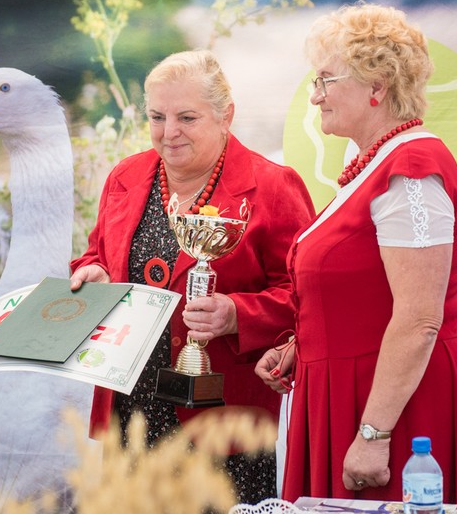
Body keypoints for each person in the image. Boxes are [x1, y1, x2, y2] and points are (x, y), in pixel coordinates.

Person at [254, 3, 457, 513]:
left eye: (325, 80)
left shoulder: (412, 170)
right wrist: (304, 345)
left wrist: (375, 432)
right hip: (352, 393)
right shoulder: (375, 164)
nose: (314, 96)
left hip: (394, 407)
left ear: (376, 85)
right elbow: (362, 289)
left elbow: (421, 318)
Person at [70, 49, 315, 504]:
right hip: (130, 408)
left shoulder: (274, 186)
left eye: (187, 117)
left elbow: (309, 296)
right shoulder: (125, 176)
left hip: (223, 417)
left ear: (227, 116)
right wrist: (92, 272)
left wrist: (236, 314)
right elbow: (97, 254)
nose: (169, 133)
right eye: (157, 116)